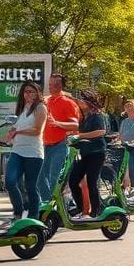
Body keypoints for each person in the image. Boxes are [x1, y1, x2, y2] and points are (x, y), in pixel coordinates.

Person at [5, 81, 47, 219]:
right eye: (25, 92)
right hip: (17, 151)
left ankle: (34, 217)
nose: (28, 94)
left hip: (33, 153)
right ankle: (18, 211)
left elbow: (37, 130)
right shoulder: (22, 109)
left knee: (31, 186)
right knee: (10, 181)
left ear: (37, 93)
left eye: (31, 91)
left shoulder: (40, 108)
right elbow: (14, 127)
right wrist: (10, 133)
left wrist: (18, 132)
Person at [68, 89, 108, 220]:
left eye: (80, 100)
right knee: (73, 181)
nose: (78, 102)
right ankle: (81, 210)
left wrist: (80, 135)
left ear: (87, 101)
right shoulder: (83, 116)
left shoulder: (97, 115)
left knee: (92, 182)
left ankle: (96, 211)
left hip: (96, 153)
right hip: (84, 153)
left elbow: (101, 132)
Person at [40, 72, 80, 202]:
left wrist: (58, 123)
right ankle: (48, 204)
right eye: (50, 84)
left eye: (56, 84)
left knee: (54, 177)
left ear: (61, 86)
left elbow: (75, 125)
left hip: (60, 145)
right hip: (44, 145)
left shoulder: (68, 103)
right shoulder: (45, 101)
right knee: (39, 176)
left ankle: (55, 206)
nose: (52, 87)